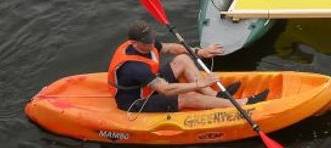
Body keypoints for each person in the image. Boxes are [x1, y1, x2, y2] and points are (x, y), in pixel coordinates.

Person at [109, 21, 264, 113]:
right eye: (146, 42)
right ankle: (242, 105)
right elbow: (166, 90)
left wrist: (200, 51)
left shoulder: (146, 43)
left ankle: (215, 96)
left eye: (151, 39)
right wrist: (198, 84)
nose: (151, 43)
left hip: (148, 85)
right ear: (134, 43)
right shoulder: (134, 67)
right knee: (187, 97)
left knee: (183, 59)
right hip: (137, 101)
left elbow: (170, 48)